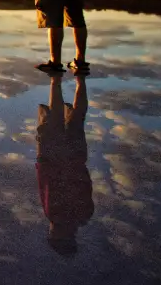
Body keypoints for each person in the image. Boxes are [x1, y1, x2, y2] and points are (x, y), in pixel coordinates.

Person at [36, 73, 94, 257]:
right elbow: (46, 185)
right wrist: (41, 162)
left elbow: (86, 184)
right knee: (53, 120)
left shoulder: (85, 214)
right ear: (64, 237)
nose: (50, 230)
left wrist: (78, 163)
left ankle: (80, 77)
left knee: (77, 118)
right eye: (53, 234)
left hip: (76, 157)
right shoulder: (54, 213)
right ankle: (55, 77)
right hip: (54, 158)